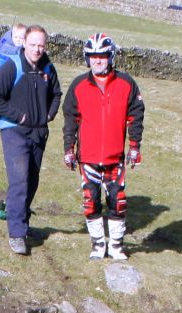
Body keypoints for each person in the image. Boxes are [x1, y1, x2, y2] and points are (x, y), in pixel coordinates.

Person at [62, 33, 145, 260]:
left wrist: (134, 146)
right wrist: (68, 149)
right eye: (93, 56)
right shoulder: (78, 85)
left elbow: (136, 116)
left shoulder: (126, 83)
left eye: (102, 56)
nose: (97, 60)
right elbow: (70, 120)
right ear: (87, 58)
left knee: (117, 201)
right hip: (87, 157)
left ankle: (116, 246)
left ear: (111, 56)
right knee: (91, 201)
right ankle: (98, 245)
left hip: (114, 157)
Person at [0, 24, 62, 255]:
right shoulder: (12, 66)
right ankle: (17, 234)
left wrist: (49, 115)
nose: (37, 49)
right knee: (19, 181)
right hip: (14, 131)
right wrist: (19, 116)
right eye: (33, 44)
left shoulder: (48, 68)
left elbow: (57, 94)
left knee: (32, 180)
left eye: (41, 45)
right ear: (24, 43)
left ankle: (23, 223)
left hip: (39, 132)